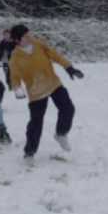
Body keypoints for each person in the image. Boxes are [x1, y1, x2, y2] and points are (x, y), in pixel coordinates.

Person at [8, 24, 84, 160]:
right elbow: (14, 77)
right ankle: (29, 152)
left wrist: (69, 68)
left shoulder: (38, 44)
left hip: (52, 83)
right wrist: (17, 88)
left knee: (68, 108)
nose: (29, 37)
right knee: (36, 123)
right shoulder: (15, 57)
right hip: (36, 91)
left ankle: (61, 134)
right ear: (17, 40)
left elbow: (55, 55)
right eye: (25, 36)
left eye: (28, 34)